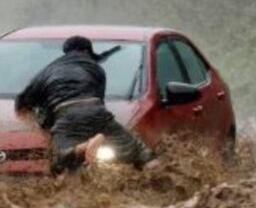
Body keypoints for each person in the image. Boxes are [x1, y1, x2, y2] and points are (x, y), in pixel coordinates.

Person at [15, 36, 154, 173]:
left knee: (58, 162)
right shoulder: (96, 68)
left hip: (66, 114)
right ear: (87, 51)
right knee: (139, 151)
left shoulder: (47, 71)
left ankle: (81, 148)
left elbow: (21, 105)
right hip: (97, 111)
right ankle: (158, 174)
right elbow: (99, 102)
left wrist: (39, 125)